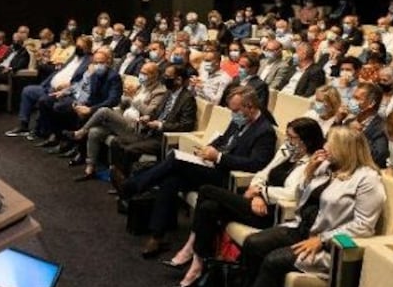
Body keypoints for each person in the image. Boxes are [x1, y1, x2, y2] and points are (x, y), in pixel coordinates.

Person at [202, 126, 385, 287]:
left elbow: (364, 226)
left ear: (345, 149)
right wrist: (310, 172)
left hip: (326, 242)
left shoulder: (367, 179)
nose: (325, 147)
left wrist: (323, 239)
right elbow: (300, 197)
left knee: (273, 260)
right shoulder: (327, 166)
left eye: (330, 143)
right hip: (302, 227)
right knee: (253, 243)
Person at [164, 118, 327, 287]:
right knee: (208, 207)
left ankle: (192, 250)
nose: (288, 141)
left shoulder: (313, 162)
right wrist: (257, 189)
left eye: (292, 138)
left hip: (273, 212)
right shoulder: (287, 151)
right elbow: (262, 173)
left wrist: (262, 193)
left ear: (305, 140)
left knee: (206, 190)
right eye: (287, 136)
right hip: (257, 202)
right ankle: (198, 262)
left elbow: (293, 193)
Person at [117, 87, 276, 258]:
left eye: (236, 110)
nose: (233, 114)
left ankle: (131, 186)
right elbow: (224, 139)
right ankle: (156, 236)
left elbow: (256, 164)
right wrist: (210, 147)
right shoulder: (240, 120)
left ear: (250, 106)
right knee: (171, 179)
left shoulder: (264, 131)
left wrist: (219, 157)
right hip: (212, 167)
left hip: (229, 179)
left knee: (175, 160)